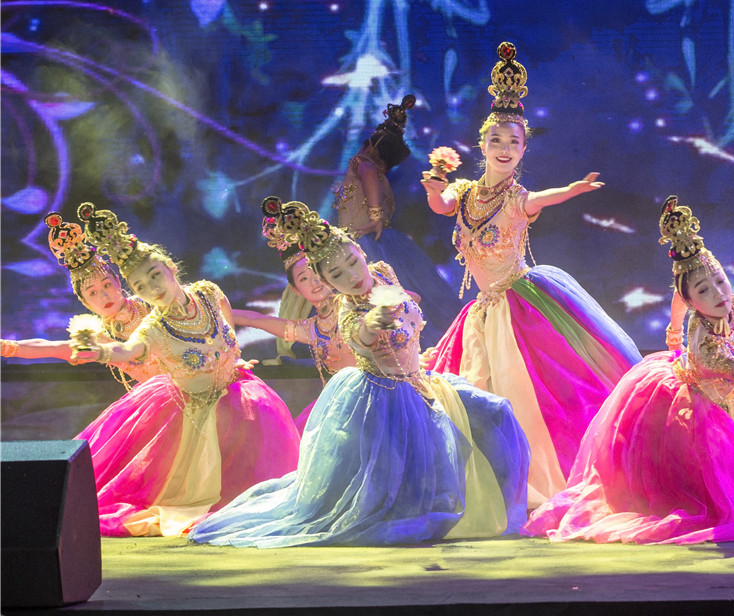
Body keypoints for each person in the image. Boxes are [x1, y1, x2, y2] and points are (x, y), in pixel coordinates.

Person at [190, 200, 529, 546]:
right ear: (327, 282)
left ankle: (500, 512)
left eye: (352, 263)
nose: (351, 276)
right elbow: (360, 335)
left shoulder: (383, 273)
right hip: (388, 400)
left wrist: (408, 336)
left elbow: (407, 308)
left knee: (495, 413)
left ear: (361, 253)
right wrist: (373, 323)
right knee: (408, 484)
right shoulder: (348, 313)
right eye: (337, 275)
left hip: (423, 382)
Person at [523, 196, 734, 544]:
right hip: (703, 407)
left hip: (733, 392)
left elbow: (683, 297)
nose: (718, 293)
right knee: (723, 492)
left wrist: (673, 333)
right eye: (704, 290)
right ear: (691, 301)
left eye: (720, 281)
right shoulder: (706, 341)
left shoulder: (724, 301)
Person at [419, 42, 642, 506]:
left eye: (514, 143)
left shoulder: (518, 198)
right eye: (497, 141)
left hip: (522, 304)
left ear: (523, 150)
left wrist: (573, 190)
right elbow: (441, 207)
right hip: (481, 312)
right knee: (476, 390)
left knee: (530, 392)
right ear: (482, 145)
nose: (505, 149)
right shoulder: (465, 192)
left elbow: (543, 198)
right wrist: (434, 189)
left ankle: (544, 473)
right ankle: (489, 479)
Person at [67, 203, 300, 537]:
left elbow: (226, 328)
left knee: (263, 473)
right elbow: (128, 349)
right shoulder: (153, 327)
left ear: (170, 267)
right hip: (194, 413)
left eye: (154, 276)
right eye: (141, 286)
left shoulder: (208, 293)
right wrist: (102, 350)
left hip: (241, 396)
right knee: (201, 491)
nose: (152, 288)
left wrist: (231, 359)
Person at [332, 94, 460, 342]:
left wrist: (375, 216)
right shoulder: (372, 169)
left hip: (367, 241)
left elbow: (368, 176)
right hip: (371, 240)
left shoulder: (363, 164)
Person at [228, 199, 358, 431]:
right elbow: (255, 319)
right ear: (296, 290)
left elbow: (408, 299)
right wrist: (213, 305)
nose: (314, 282)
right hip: (342, 406)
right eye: (303, 278)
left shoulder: (354, 303)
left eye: (316, 272)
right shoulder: (312, 329)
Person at [1, 213, 158, 386]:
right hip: (164, 394)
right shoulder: (99, 340)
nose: (104, 296)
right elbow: (52, 347)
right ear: (85, 302)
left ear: (118, 281)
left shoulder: (152, 304)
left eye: (107, 285)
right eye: (93, 293)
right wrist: (7, 347)